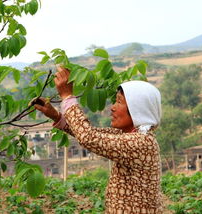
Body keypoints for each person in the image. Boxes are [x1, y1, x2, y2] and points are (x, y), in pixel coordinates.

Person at [34, 66, 163, 214]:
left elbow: (89, 137)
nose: (112, 108)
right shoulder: (132, 137)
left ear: (137, 109)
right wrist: (56, 116)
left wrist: (67, 96)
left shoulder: (141, 143)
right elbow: (92, 133)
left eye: (119, 102)